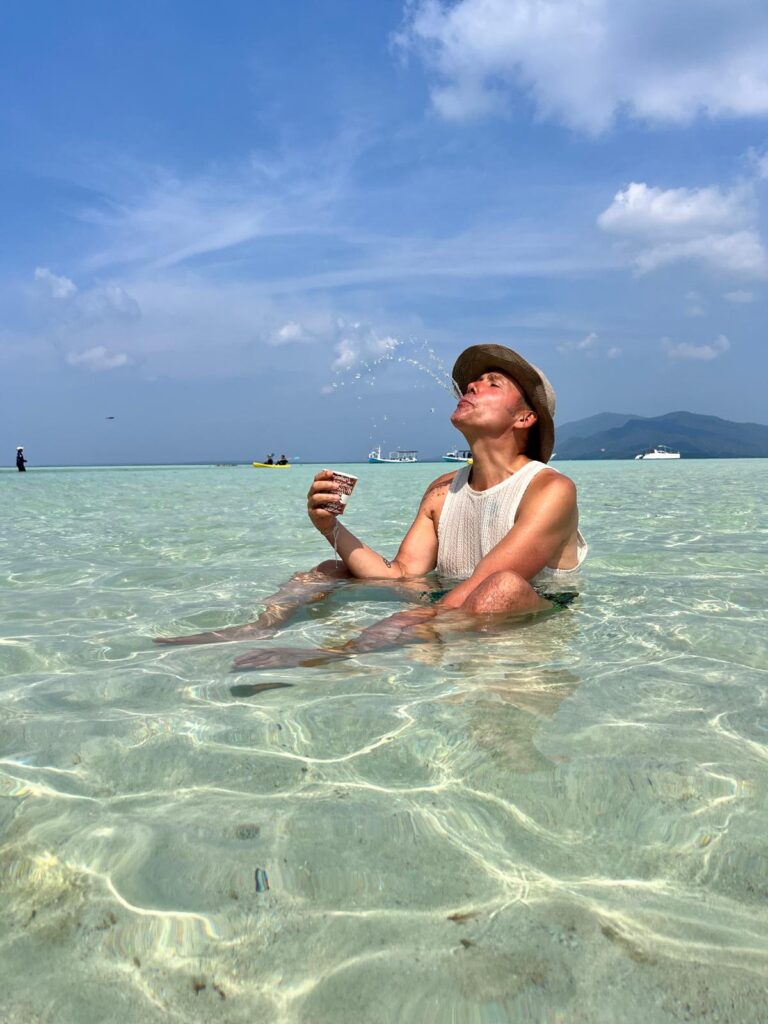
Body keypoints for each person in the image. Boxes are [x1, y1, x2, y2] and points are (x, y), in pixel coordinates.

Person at [156, 344, 586, 667]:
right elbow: (401, 574)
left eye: (493, 384)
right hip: (450, 608)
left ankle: (337, 662)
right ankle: (260, 627)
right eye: (474, 382)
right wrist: (329, 527)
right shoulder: (442, 490)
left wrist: (352, 646)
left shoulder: (550, 490)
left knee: (502, 587)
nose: (473, 386)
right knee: (330, 569)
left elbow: (486, 584)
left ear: (525, 418)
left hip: (526, 618)